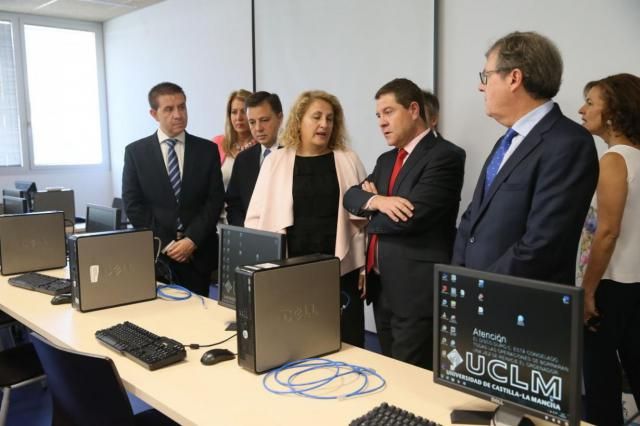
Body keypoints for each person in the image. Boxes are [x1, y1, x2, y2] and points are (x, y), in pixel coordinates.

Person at [452, 31, 599, 286]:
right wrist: (459, 279)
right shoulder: (506, 141)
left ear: (514, 78)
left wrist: (481, 285)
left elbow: (542, 243)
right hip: (477, 299)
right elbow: (472, 218)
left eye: (486, 76)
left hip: (522, 306)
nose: (480, 86)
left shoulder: (569, 143)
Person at [343, 78, 466, 370]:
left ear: (413, 110)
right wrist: (379, 202)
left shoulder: (445, 155)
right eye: (378, 116)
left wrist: (369, 207)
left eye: (388, 112)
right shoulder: (387, 159)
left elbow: (411, 218)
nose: (381, 123)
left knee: (412, 378)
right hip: (380, 286)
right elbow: (351, 196)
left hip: (415, 292)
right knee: (390, 370)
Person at [245, 90, 368, 347]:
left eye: (330, 119)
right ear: (299, 120)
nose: (324, 124)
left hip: (339, 267)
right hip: (290, 267)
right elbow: (255, 219)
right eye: (317, 117)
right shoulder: (275, 161)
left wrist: (364, 266)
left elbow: (364, 220)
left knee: (346, 341)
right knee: (295, 342)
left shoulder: (348, 159)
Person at [122, 82, 224, 296]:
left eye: (182, 107)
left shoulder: (207, 150)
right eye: (169, 109)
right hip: (157, 256)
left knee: (199, 322)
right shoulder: (136, 153)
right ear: (154, 113)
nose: (178, 114)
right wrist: (168, 243)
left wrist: (191, 240)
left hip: (198, 254)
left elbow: (214, 200)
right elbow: (134, 205)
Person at [578, 73, 640, 426]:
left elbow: (607, 233)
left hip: (609, 287)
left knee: (599, 379)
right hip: (634, 286)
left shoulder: (614, 160)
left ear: (613, 111)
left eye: (590, 102)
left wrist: (588, 291)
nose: (582, 109)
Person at [225, 91, 283, 226]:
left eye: (264, 120)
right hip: (249, 238)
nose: (258, 128)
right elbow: (234, 204)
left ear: (279, 118)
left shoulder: (294, 156)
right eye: (252, 122)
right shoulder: (243, 159)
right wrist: (246, 232)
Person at [213, 89, 256, 189]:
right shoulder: (217, 143)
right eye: (234, 112)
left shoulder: (262, 146)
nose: (238, 117)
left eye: (244, 111)